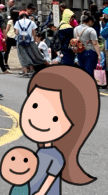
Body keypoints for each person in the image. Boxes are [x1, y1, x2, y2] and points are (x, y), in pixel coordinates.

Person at [18, 66, 99, 195]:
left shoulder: (56, 156)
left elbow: (51, 177)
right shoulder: (42, 151)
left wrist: (41, 192)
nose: (38, 119)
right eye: (34, 105)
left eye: (55, 118)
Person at [73, 13, 99, 77]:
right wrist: (99, 55)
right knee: (89, 71)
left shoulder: (75, 29)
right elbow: (95, 43)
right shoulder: (91, 30)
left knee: (82, 71)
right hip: (90, 52)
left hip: (80, 52)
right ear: (90, 21)